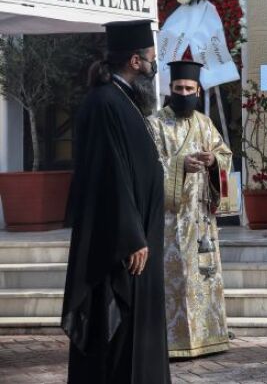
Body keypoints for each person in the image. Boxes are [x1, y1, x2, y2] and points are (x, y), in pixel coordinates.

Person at [61, 19, 171, 384]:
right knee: (118, 330)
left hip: (139, 235)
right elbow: (108, 175)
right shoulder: (106, 102)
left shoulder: (122, 99)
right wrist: (131, 236)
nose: (155, 65)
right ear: (135, 61)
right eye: (151, 58)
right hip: (123, 244)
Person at [149, 60, 233, 358]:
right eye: (178, 88)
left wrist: (213, 162)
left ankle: (209, 336)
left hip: (201, 218)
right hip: (171, 220)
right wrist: (180, 165)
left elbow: (225, 154)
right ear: (170, 90)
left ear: (197, 90)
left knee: (204, 276)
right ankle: (174, 341)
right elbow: (149, 169)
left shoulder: (204, 122)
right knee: (177, 279)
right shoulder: (155, 124)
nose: (183, 93)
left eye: (189, 89)